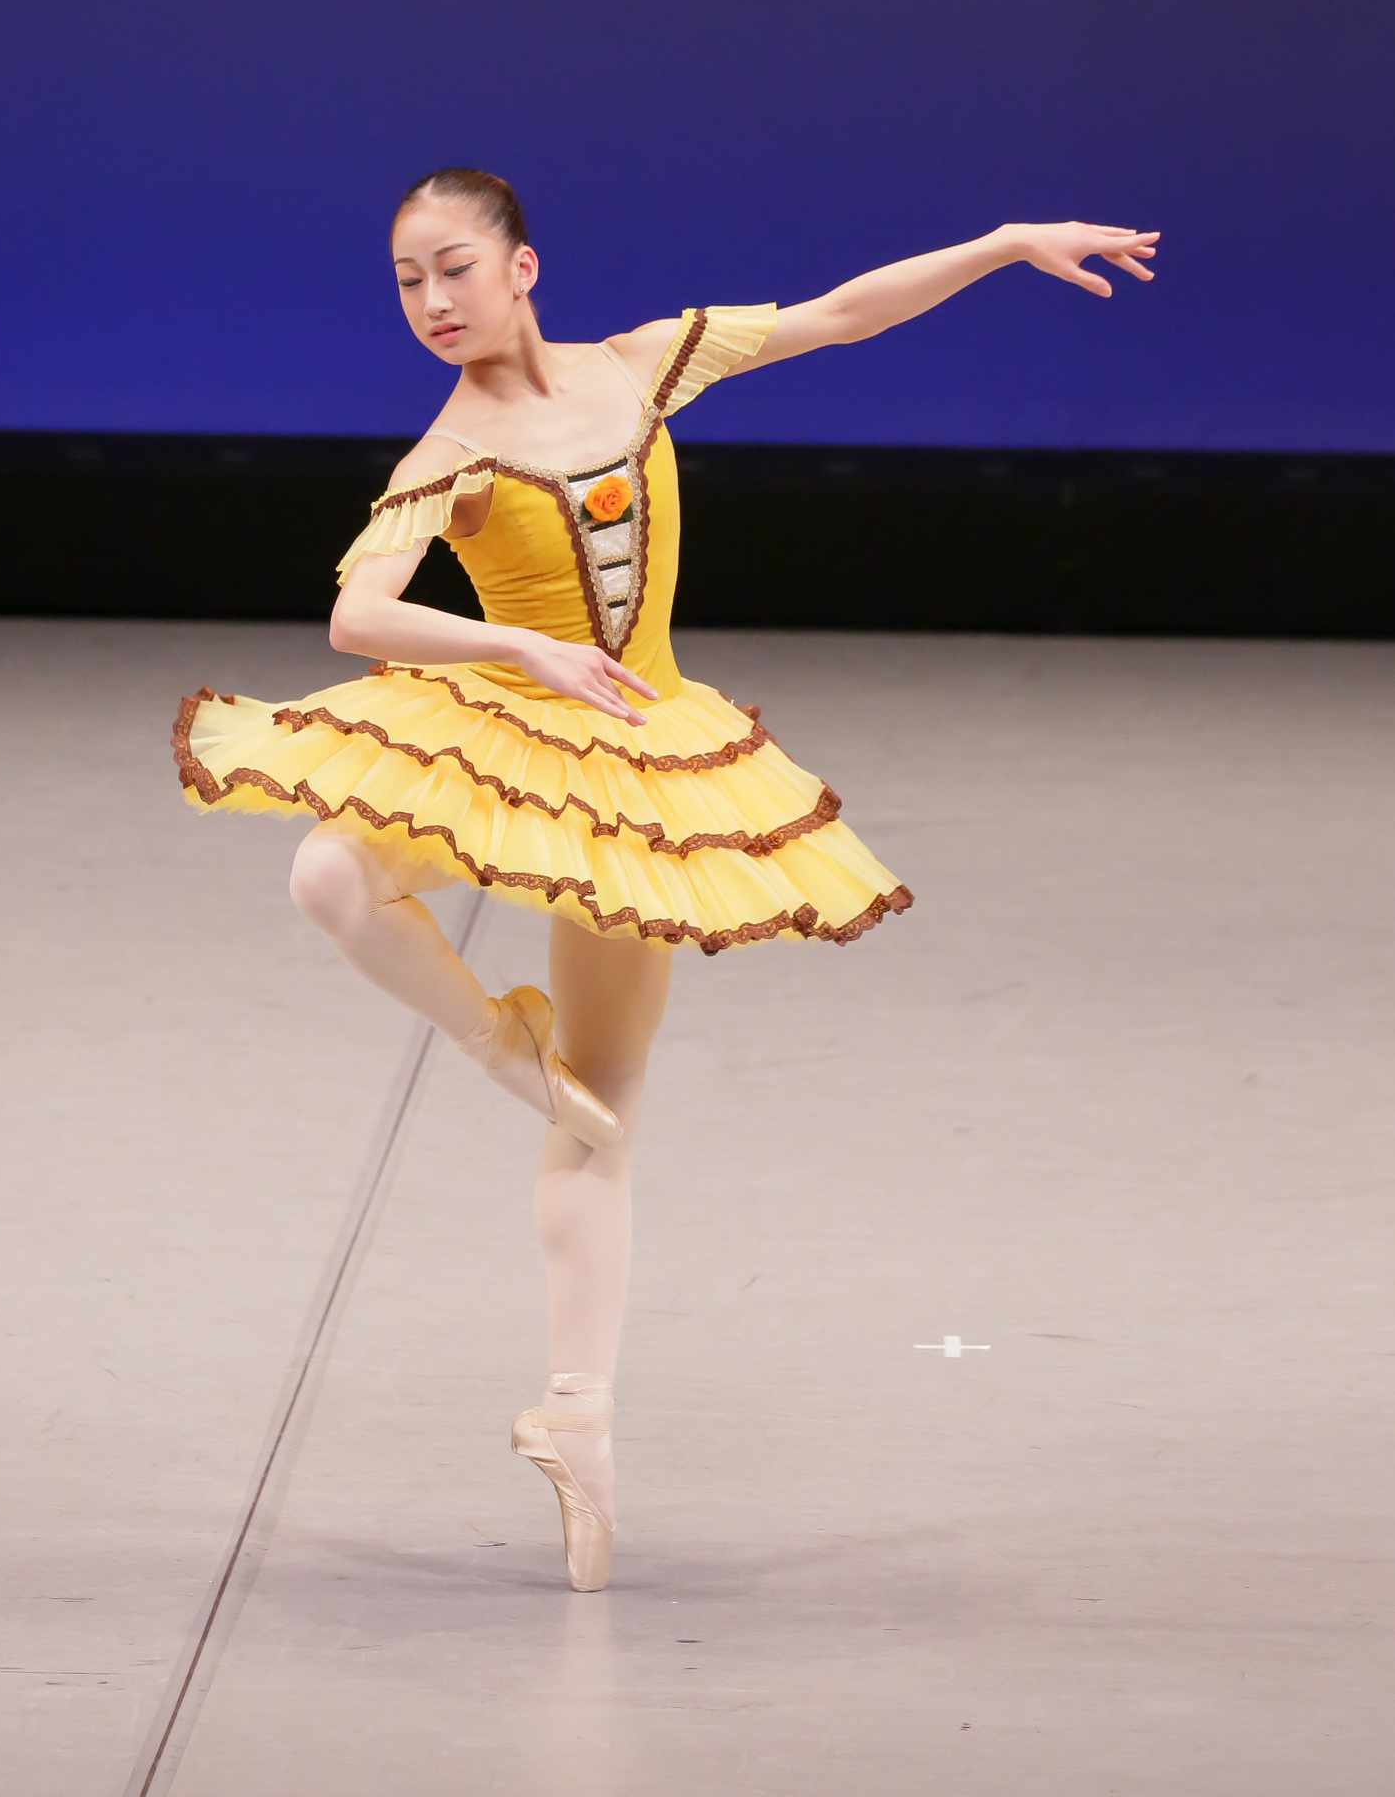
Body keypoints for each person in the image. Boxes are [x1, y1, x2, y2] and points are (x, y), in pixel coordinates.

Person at [172, 170, 1158, 1590]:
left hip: (645, 761)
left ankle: (576, 1417)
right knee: (330, 875)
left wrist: (1005, 243)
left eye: (453, 269)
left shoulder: (643, 364)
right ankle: (495, 1042)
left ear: (522, 267)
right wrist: (519, 647)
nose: (432, 302)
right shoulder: (451, 450)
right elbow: (357, 614)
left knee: (606, 1108)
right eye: (406, 281)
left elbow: (837, 317)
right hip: (513, 740)